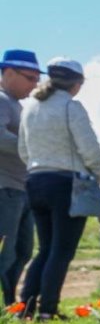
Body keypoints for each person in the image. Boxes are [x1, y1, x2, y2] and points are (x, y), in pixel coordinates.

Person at [17, 58, 100, 320]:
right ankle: (48, 309)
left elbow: (23, 150)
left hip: (35, 180)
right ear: (77, 84)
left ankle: (25, 306)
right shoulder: (71, 107)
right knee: (62, 250)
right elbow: (89, 148)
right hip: (67, 183)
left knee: (45, 248)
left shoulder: (30, 107)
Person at [1, 49, 43, 305]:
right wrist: (31, 146)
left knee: (22, 252)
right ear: (7, 72)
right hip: (5, 188)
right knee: (5, 253)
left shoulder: (15, 104)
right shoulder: (2, 100)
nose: (35, 84)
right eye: (30, 77)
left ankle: (9, 303)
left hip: (20, 189)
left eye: (37, 78)